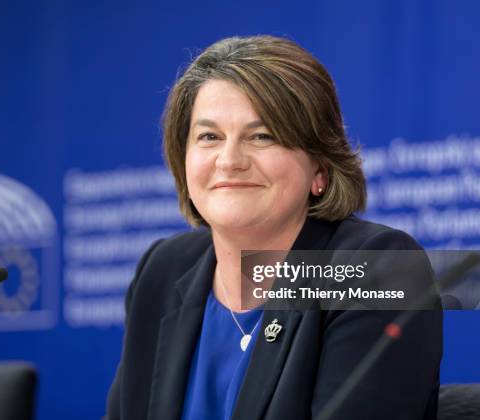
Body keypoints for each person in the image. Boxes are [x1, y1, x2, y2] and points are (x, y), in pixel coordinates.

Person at [105, 35, 442, 420]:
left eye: (262, 136)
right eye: (209, 137)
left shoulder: (378, 270)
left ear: (320, 166)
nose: (229, 160)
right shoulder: (163, 270)